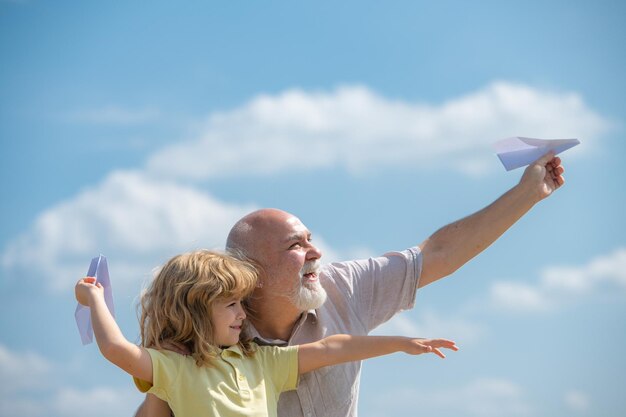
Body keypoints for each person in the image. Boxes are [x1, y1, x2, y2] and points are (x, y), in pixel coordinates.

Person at [136, 152, 566, 417]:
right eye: (295, 245)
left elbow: (436, 254)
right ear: (251, 273)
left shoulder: (346, 285)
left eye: (311, 239)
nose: (315, 252)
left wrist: (528, 192)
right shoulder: (212, 331)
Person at [75, 250, 458, 417]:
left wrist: (403, 343)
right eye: (231, 304)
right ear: (194, 308)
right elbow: (116, 348)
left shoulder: (262, 361)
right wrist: (95, 299)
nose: (243, 314)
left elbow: (331, 347)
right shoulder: (174, 367)